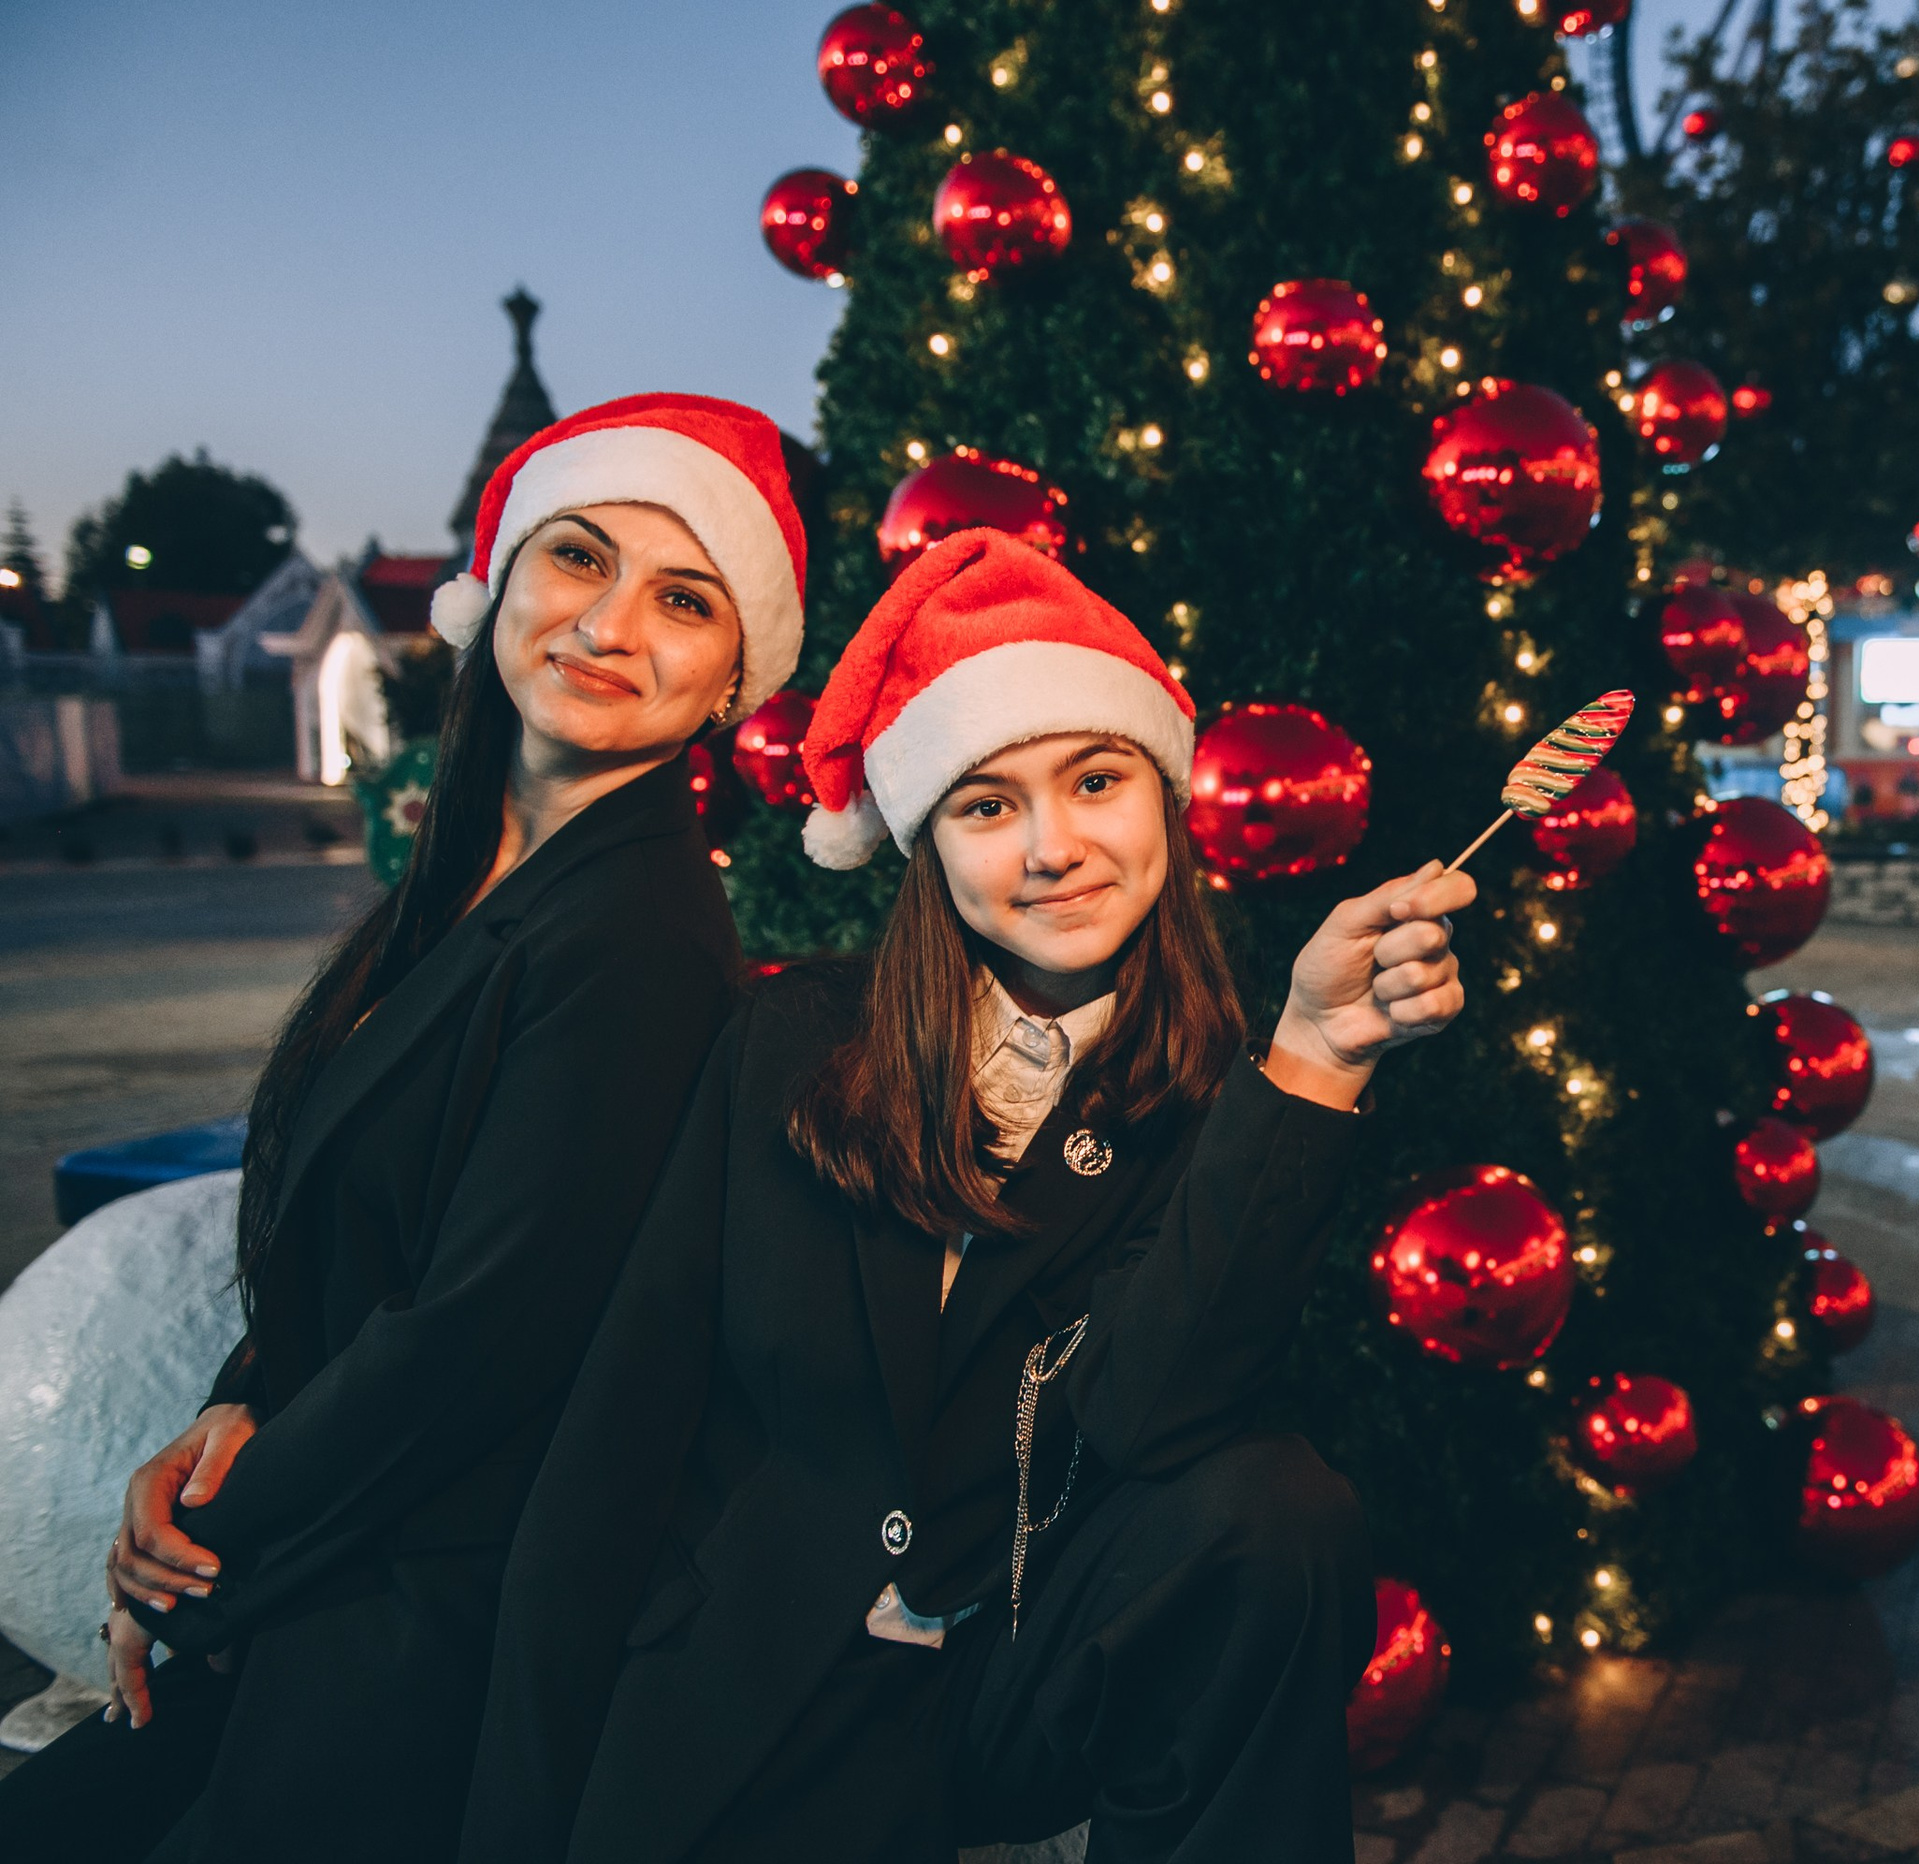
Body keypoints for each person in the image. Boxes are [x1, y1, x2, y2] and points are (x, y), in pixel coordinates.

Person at [460, 530, 1475, 1864]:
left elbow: (1147, 1418)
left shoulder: (1207, 1099)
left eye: (1096, 781)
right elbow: (624, 1407)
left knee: (1273, 1512)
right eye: (989, 805)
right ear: (927, 841)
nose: (1055, 847)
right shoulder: (791, 1041)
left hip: (999, 1687)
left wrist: (1316, 1060)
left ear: (1160, 798)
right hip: (746, 1681)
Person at [0, 394, 809, 1864]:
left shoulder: (638, 935)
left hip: (423, 1620)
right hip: (336, 1551)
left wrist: (200, 1568)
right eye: (578, 559)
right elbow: (352, 1236)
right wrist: (230, 1411)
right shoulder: (464, 894)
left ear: (733, 676)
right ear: (495, 586)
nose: (610, 625)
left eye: (682, 598)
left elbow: (481, 1335)